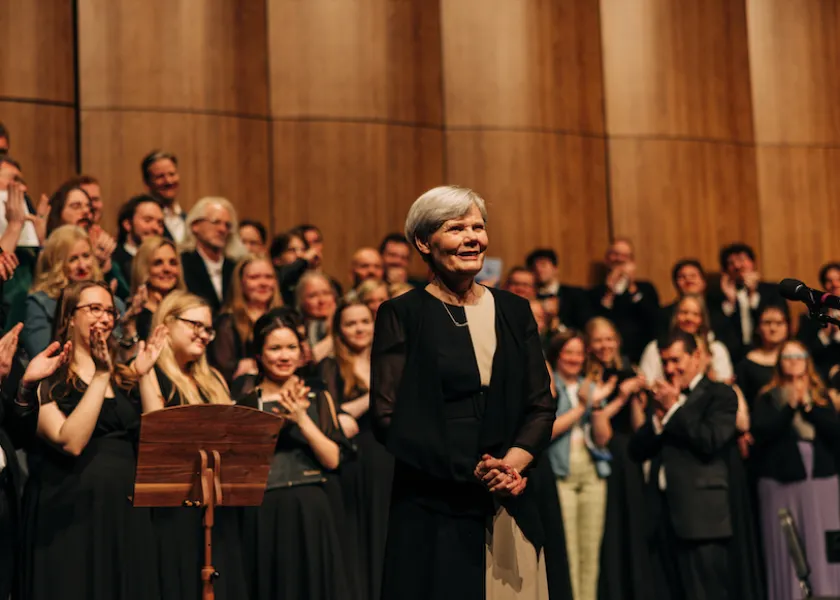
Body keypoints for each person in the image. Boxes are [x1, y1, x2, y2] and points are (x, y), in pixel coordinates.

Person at [371, 185, 557, 599]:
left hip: (508, 499)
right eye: (456, 228)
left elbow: (541, 406)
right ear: (424, 242)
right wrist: (470, 470)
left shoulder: (515, 310)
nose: (473, 238)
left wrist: (511, 468)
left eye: (478, 227)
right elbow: (387, 417)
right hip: (433, 505)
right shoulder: (402, 314)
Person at [24, 281, 160, 600]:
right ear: (69, 317)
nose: (105, 318)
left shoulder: (122, 377)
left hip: (124, 513)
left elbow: (157, 438)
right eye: (94, 309)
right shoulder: (49, 376)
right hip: (72, 515)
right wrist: (100, 375)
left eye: (110, 311)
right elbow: (70, 441)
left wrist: (144, 373)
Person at [131, 290, 249, 600]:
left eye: (208, 329)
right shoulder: (150, 371)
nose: (204, 335)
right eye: (195, 325)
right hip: (175, 508)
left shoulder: (214, 379)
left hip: (217, 505)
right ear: (166, 324)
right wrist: (144, 375)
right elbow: (157, 431)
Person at [236, 309, 353, 600]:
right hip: (266, 509)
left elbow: (333, 459)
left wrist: (302, 419)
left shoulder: (319, 395)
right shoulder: (246, 404)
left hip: (311, 508)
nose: (284, 356)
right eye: (275, 348)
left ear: (301, 353)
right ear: (259, 354)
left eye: (291, 347)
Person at [628, 330, 739, 600]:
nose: (670, 369)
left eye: (676, 360)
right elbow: (636, 450)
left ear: (696, 356)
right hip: (662, 518)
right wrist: (659, 419)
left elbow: (710, 440)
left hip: (701, 520)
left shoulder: (720, 394)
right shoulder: (662, 397)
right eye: (665, 361)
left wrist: (674, 410)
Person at [752, 340, 840, 600]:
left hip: (822, 480)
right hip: (782, 482)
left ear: (807, 360)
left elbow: (835, 432)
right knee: (790, 546)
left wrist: (808, 407)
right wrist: (790, 407)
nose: (793, 361)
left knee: (825, 546)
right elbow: (763, 433)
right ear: (779, 362)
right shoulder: (769, 397)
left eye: (799, 356)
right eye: (787, 357)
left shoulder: (820, 395)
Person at [320, 299, 392, 600]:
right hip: (357, 458)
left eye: (364, 321)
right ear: (339, 331)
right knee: (361, 535)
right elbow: (332, 417)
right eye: (350, 323)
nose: (359, 328)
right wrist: (375, 395)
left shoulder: (388, 360)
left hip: (392, 456)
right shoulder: (331, 366)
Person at [582, 317, 652, 600]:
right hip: (598, 454)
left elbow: (639, 426)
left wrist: (635, 397)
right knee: (608, 526)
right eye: (598, 339)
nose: (605, 345)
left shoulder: (629, 370)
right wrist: (621, 397)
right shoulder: (587, 376)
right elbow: (593, 423)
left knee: (632, 523)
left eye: (609, 338)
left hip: (628, 455)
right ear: (589, 345)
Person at [545, 330, 613, 600]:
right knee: (569, 551)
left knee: (591, 551)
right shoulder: (550, 385)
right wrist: (582, 407)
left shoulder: (589, 386)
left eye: (579, 353)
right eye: (568, 352)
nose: (574, 358)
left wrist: (595, 406)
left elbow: (603, 438)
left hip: (592, 469)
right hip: (562, 469)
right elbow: (547, 430)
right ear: (557, 355)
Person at [22, 226, 126, 358]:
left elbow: (121, 357)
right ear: (56, 263)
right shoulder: (40, 303)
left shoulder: (114, 304)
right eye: (73, 259)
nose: (82, 266)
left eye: (86, 256)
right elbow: (42, 355)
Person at [209, 254, 283, 386]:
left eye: (269, 277)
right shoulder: (226, 323)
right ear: (240, 283)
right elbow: (222, 371)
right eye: (254, 277)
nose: (263, 283)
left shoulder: (285, 318)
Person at [588, 238, 660, 363]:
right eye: (615, 254)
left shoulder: (645, 288)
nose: (619, 259)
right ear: (607, 259)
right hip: (605, 356)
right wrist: (609, 294)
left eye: (625, 255)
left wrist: (632, 288)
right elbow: (595, 324)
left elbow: (653, 321)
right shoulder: (595, 292)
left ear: (632, 261)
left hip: (641, 355)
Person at [715, 243, 787, 363]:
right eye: (731, 263)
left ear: (753, 263)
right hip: (733, 356)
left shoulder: (772, 290)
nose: (737, 266)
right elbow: (719, 329)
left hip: (767, 352)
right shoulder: (718, 296)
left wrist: (753, 295)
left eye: (742, 260)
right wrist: (730, 302)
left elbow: (779, 320)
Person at [639, 294, 733, 385]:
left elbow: (726, 384)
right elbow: (646, 382)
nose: (689, 318)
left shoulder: (715, 349)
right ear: (675, 316)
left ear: (703, 319)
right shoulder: (655, 347)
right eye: (684, 312)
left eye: (695, 314)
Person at [180, 197, 240, 314]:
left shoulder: (235, 267)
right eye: (216, 222)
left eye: (227, 225)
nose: (222, 229)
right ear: (195, 225)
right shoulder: (182, 263)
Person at [125, 236, 185, 341]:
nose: (167, 269)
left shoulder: (186, 311)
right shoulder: (135, 316)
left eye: (173, 262)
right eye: (158, 263)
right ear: (143, 268)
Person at [735, 304, 790, 409]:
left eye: (779, 323)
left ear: (787, 326)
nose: (773, 328)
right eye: (767, 323)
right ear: (758, 327)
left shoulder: (797, 357)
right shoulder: (747, 363)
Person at [526, 248, 592, 333]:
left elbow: (586, 324)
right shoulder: (530, 296)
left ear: (555, 268)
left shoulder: (576, 294)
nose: (538, 270)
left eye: (543, 265)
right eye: (534, 267)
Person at [797, 262, 840, 379]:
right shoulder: (812, 313)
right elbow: (803, 349)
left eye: (839, 279)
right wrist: (825, 335)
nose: (835, 284)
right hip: (822, 374)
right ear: (824, 285)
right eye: (829, 281)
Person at [113, 194, 165, 283]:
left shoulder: (167, 262)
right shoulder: (114, 262)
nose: (155, 227)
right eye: (148, 220)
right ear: (128, 224)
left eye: (160, 223)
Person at [141, 150, 185, 242]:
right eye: (160, 176)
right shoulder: (144, 224)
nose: (168, 181)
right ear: (147, 182)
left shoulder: (188, 221)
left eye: (172, 174)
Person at [297, 271, 338, 363]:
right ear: (301, 301)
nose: (322, 301)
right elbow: (314, 359)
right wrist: (333, 334)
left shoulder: (349, 322)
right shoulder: (297, 331)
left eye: (326, 293)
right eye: (313, 295)